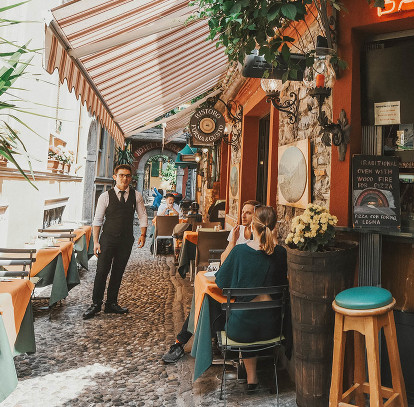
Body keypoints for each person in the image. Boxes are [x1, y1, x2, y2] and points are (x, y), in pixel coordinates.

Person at [162, 205, 287, 393]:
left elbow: (221, 281)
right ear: (274, 227)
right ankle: (252, 377)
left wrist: (232, 244)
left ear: (253, 226)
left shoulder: (240, 251)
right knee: (250, 314)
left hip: (240, 331)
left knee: (216, 307)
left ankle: (191, 345)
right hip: (273, 328)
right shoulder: (281, 254)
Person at [83, 164, 148, 320]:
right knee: (101, 271)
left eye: (127, 176)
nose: (124, 178)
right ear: (115, 177)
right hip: (108, 239)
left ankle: (111, 303)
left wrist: (143, 234)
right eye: (121, 175)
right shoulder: (105, 196)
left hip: (126, 240)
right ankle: (96, 304)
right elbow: (97, 220)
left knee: (118, 272)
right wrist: (96, 242)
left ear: (131, 178)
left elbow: (143, 215)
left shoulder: (136, 196)